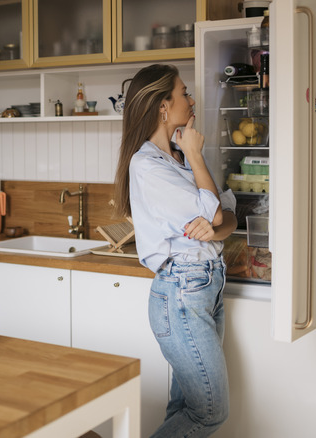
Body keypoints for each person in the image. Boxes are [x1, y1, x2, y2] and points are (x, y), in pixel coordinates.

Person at [114, 64, 238, 437]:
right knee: (209, 412)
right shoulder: (148, 165)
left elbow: (228, 218)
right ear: (163, 106)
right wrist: (198, 156)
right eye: (184, 92)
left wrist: (217, 225)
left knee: (185, 408)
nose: (192, 99)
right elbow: (217, 212)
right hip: (182, 290)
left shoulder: (178, 159)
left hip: (206, 287)